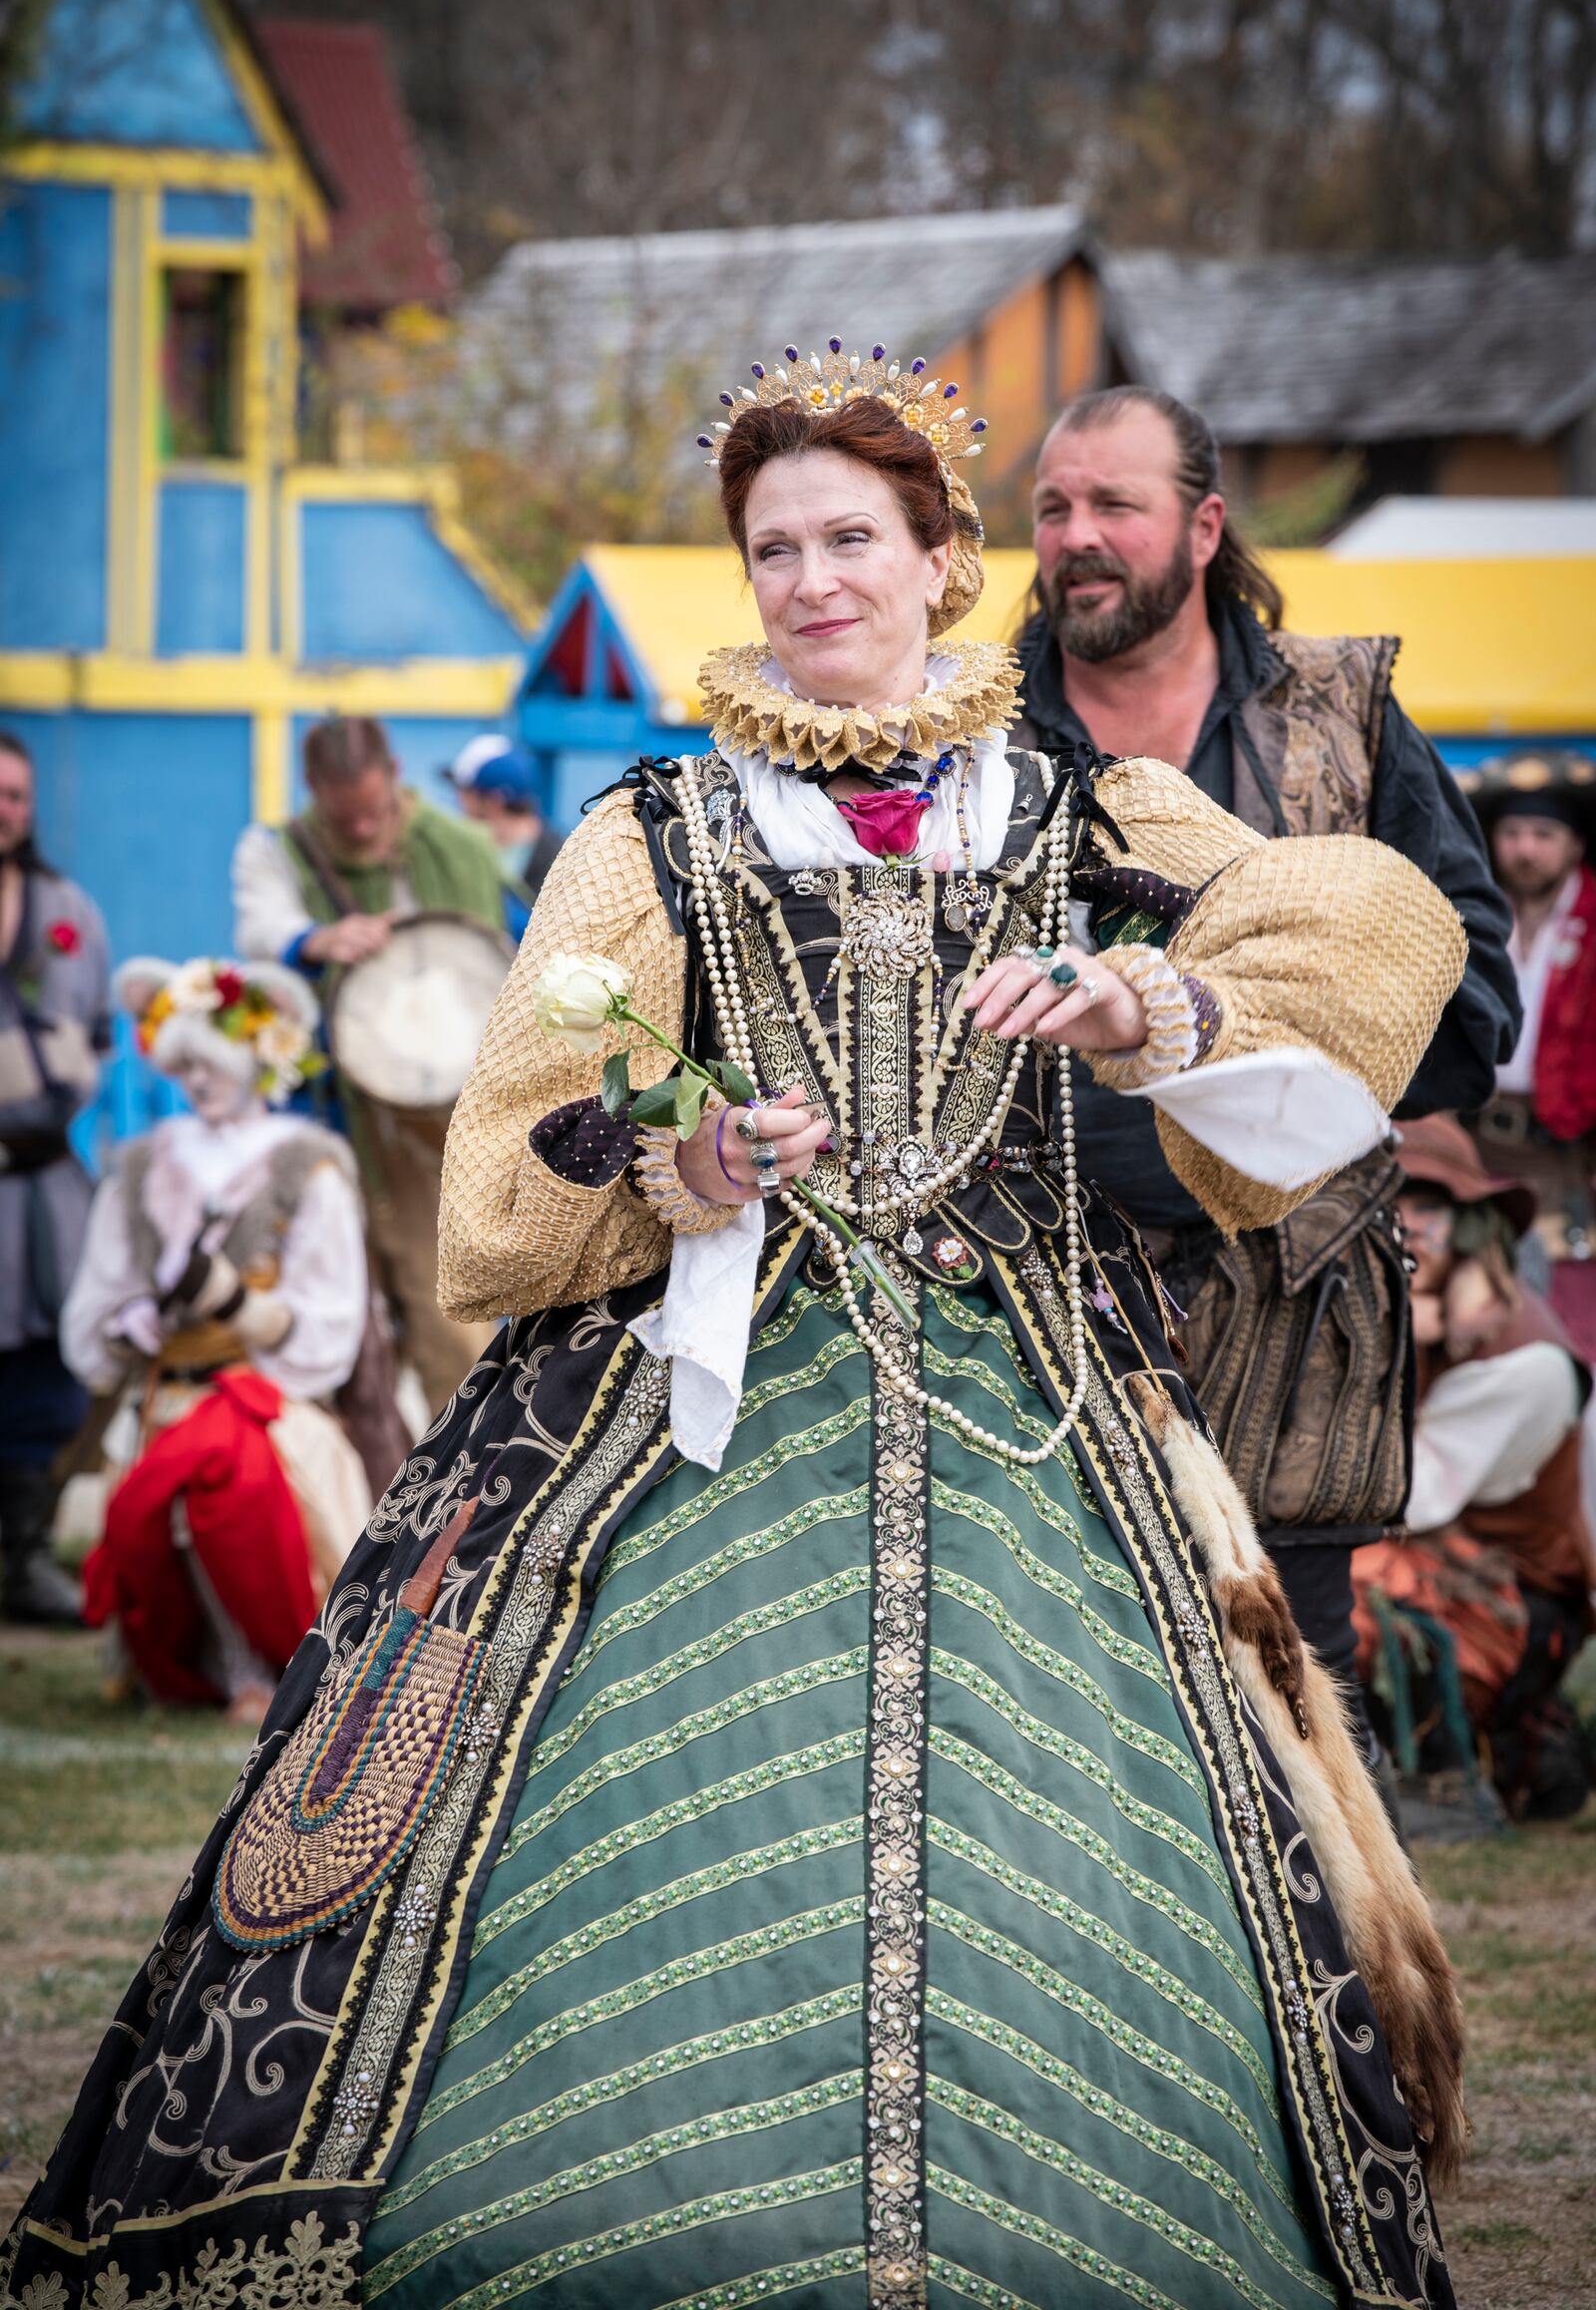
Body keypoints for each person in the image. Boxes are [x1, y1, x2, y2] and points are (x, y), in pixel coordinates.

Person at [6, 341, 1471, 2310]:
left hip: (1032, 1404)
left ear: (943, 558)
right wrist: (677, 1166)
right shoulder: (655, 833)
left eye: (849, 536)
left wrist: (1157, 1013)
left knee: (1093, 1852)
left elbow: (1377, 931)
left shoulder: (1084, 809)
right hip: (692, 1403)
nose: (808, 579)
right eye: (771, 546)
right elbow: (517, 1152)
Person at [1014, 385, 1520, 1761]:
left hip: (1293, 1317)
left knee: (1286, 1734)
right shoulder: (972, 741)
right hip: (1026, 1300)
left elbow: (1477, 1004)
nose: (1077, 538)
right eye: (1054, 508)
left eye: (1115, 504)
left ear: (1204, 524)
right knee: (1045, 1727)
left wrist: (1291, 1043)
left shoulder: (1343, 723)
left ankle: (1318, 1987)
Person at [60, 958, 372, 1726]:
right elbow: (102, 1293)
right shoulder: (143, 1164)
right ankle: (178, 1662)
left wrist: (234, 1306)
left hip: (263, 1401)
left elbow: (330, 1312)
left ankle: (264, 1667)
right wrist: (129, 1320)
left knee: (237, 1495)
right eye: (186, 1065)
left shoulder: (308, 1164)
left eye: (214, 1064)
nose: (198, 1082)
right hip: (164, 1395)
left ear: (259, 1060)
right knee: (151, 1505)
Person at [231, 715, 504, 1414]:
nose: (359, 831)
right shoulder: (276, 852)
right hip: (325, 1118)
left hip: (435, 1131)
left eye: (373, 813)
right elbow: (260, 927)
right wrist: (317, 939)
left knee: (452, 1322)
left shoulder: (459, 849)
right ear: (313, 791)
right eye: (342, 817)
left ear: (396, 778)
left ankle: (469, 1495)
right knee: (326, 1322)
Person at [1352, 1113, 1593, 1821]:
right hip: (1432, 1561)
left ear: (1467, 1224)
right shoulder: (1407, 1315)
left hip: (1511, 1602)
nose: (1401, 1224)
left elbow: (1406, 1499)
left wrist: (1386, 1339)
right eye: (1384, 1201)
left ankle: (1443, 1781)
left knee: (1332, 1578)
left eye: (1423, 1204)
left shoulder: (1524, 1362)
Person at [0, 729, 110, 1624]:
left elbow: (98, 1036)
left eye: (15, 795)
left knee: (46, 1367)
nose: (5, 809)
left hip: (43, 1181)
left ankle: (26, 1558)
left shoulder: (65, 904)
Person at [1464, 751, 1596, 1363]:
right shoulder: (1472, 916)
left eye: (1544, 834)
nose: (1525, 848)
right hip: (1475, 1143)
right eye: (1512, 832)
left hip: (1569, 1155)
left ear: (1574, 846)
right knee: (1482, 1320)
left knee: (1573, 1323)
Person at [444, 732, 566, 938]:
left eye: (468, 794)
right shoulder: (477, 848)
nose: (460, 803)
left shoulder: (559, 860)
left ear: (495, 801)